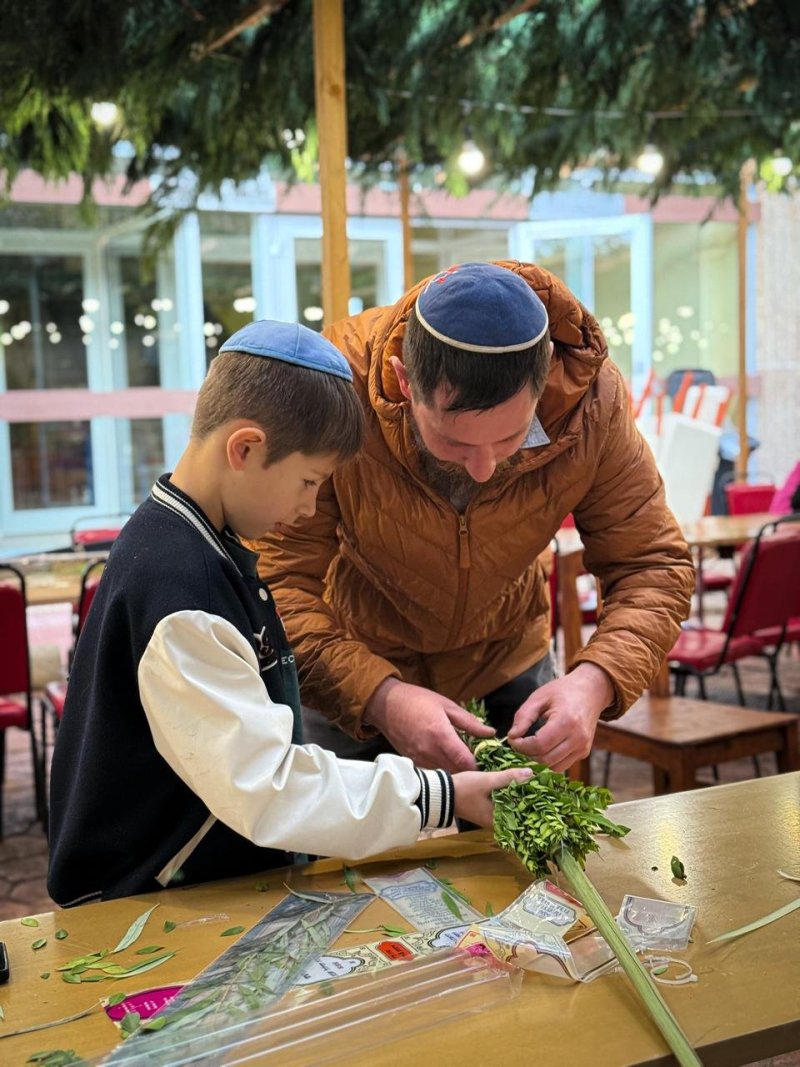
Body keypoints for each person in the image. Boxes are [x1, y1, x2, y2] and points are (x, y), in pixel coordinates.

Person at [47, 320, 529, 906]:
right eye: (309, 482)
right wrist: (442, 797)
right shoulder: (179, 588)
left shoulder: (200, 543)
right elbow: (269, 787)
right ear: (245, 449)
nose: (307, 508)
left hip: (198, 878)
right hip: (143, 898)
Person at [254, 262, 695, 775]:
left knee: (520, 852)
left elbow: (652, 564)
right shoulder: (337, 385)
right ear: (403, 380)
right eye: (454, 442)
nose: (484, 469)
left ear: (546, 372)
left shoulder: (591, 403)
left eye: (511, 438)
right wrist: (379, 696)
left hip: (507, 666)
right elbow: (275, 582)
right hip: (354, 672)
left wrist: (595, 680)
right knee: (361, 856)